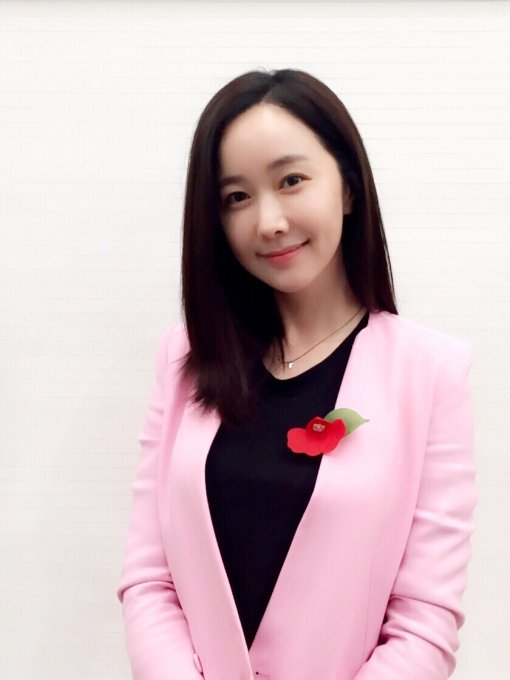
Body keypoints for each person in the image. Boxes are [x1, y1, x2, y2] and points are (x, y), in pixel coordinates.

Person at [116, 68, 478, 680]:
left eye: (291, 181)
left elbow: (424, 623)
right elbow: (151, 579)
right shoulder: (185, 360)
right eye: (237, 197)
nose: (269, 221)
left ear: (348, 188)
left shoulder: (431, 372)